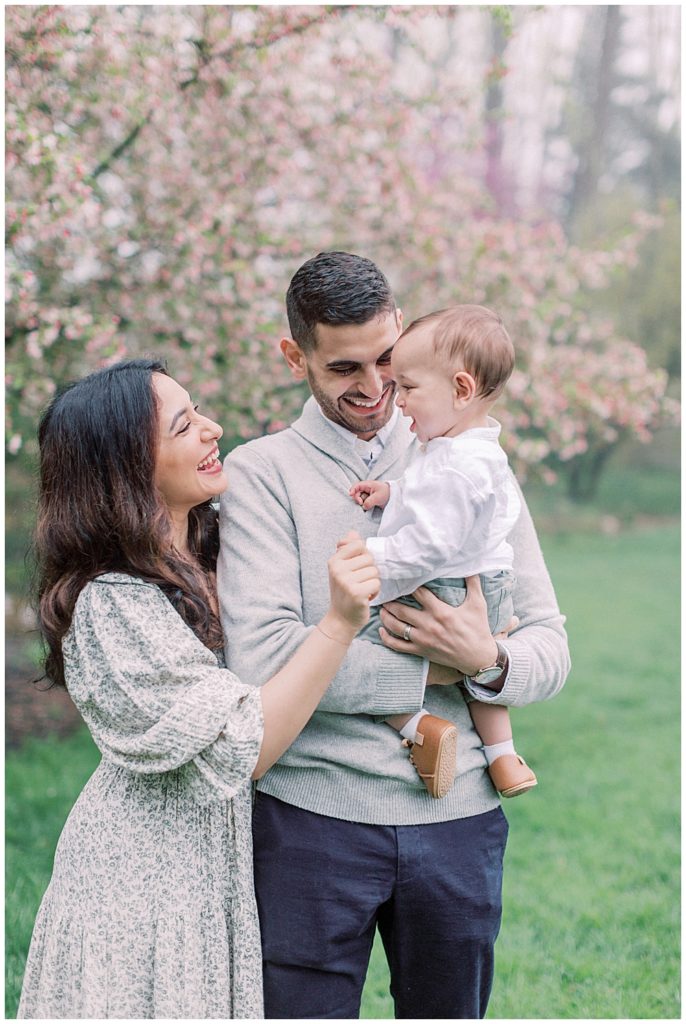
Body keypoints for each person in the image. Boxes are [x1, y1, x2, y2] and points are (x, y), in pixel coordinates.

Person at [218, 251, 571, 1019]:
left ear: (406, 334)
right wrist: (437, 673)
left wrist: (486, 658)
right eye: (345, 367)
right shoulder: (259, 475)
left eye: (388, 359)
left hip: (459, 825)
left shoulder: (477, 461)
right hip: (311, 822)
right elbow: (265, 665)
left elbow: (547, 646)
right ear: (294, 355)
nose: (375, 388)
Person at [17, 358, 379, 1020]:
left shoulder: (218, 555)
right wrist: (338, 625)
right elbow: (246, 746)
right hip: (139, 888)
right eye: (184, 425)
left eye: (198, 411)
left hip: (213, 871)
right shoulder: (112, 604)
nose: (213, 429)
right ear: (126, 468)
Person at [350, 304, 537, 801]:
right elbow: (431, 496)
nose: (398, 399)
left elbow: (431, 543)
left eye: (409, 388)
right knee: (481, 666)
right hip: (485, 591)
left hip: (446, 589)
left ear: (460, 389)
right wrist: (393, 492)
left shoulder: (455, 465)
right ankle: (504, 757)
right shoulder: (466, 451)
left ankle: (418, 726)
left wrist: (375, 557)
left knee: (361, 647)